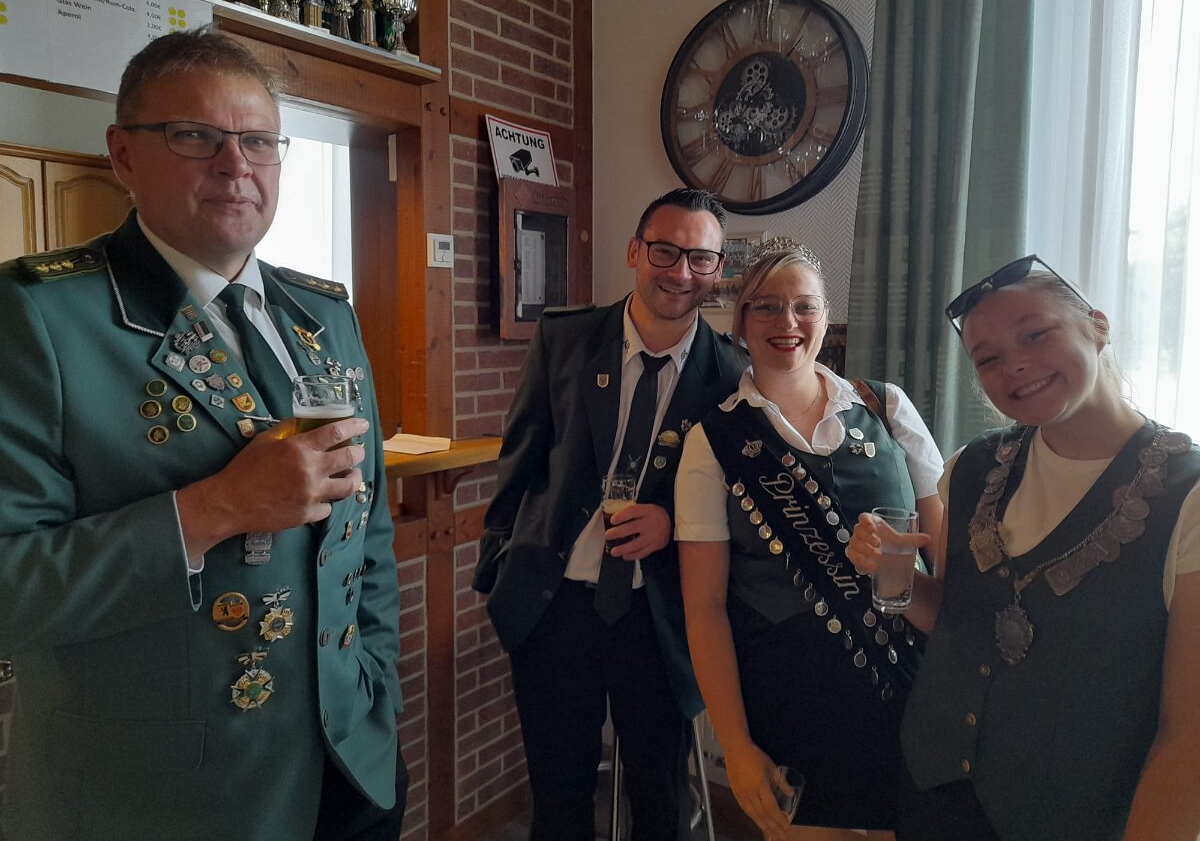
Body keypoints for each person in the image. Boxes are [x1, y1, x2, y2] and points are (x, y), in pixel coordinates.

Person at [0, 28, 406, 840]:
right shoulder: (41, 318)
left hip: (347, 761)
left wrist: (375, 682)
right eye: (195, 136)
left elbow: (369, 535)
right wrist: (216, 508)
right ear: (123, 155)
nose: (235, 165)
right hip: (163, 796)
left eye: (258, 141)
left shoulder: (324, 314)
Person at [849, 255, 1200, 841]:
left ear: (1097, 326)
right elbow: (959, 620)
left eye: (1035, 334)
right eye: (987, 358)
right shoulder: (970, 469)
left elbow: (1188, 733)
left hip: (1078, 814)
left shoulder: (1187, 496)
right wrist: (896, 578)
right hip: (934, 790)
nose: (1013, 364)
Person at [472, 188, 744, 840]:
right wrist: (495, 571)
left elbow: (740, 502)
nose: (681, 272)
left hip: (659, 616)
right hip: (553, 604)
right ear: (634, 252)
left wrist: (673, 523)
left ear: (717, 269)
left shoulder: (732, 375)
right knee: (559, 800)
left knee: (660, 801)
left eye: (700, 258)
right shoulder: (565, 338)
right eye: (665, 251)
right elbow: (520, 459)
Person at [675, 239, 943, 841]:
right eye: (767, 306)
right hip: (789, 704)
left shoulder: (887, 408)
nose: (787, 322)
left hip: (910, 694)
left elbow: (949, 564)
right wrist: (736, 746)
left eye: (804, 306)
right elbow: (705, 608)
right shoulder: (710, 442)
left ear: (825, 316)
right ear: (741, 320)